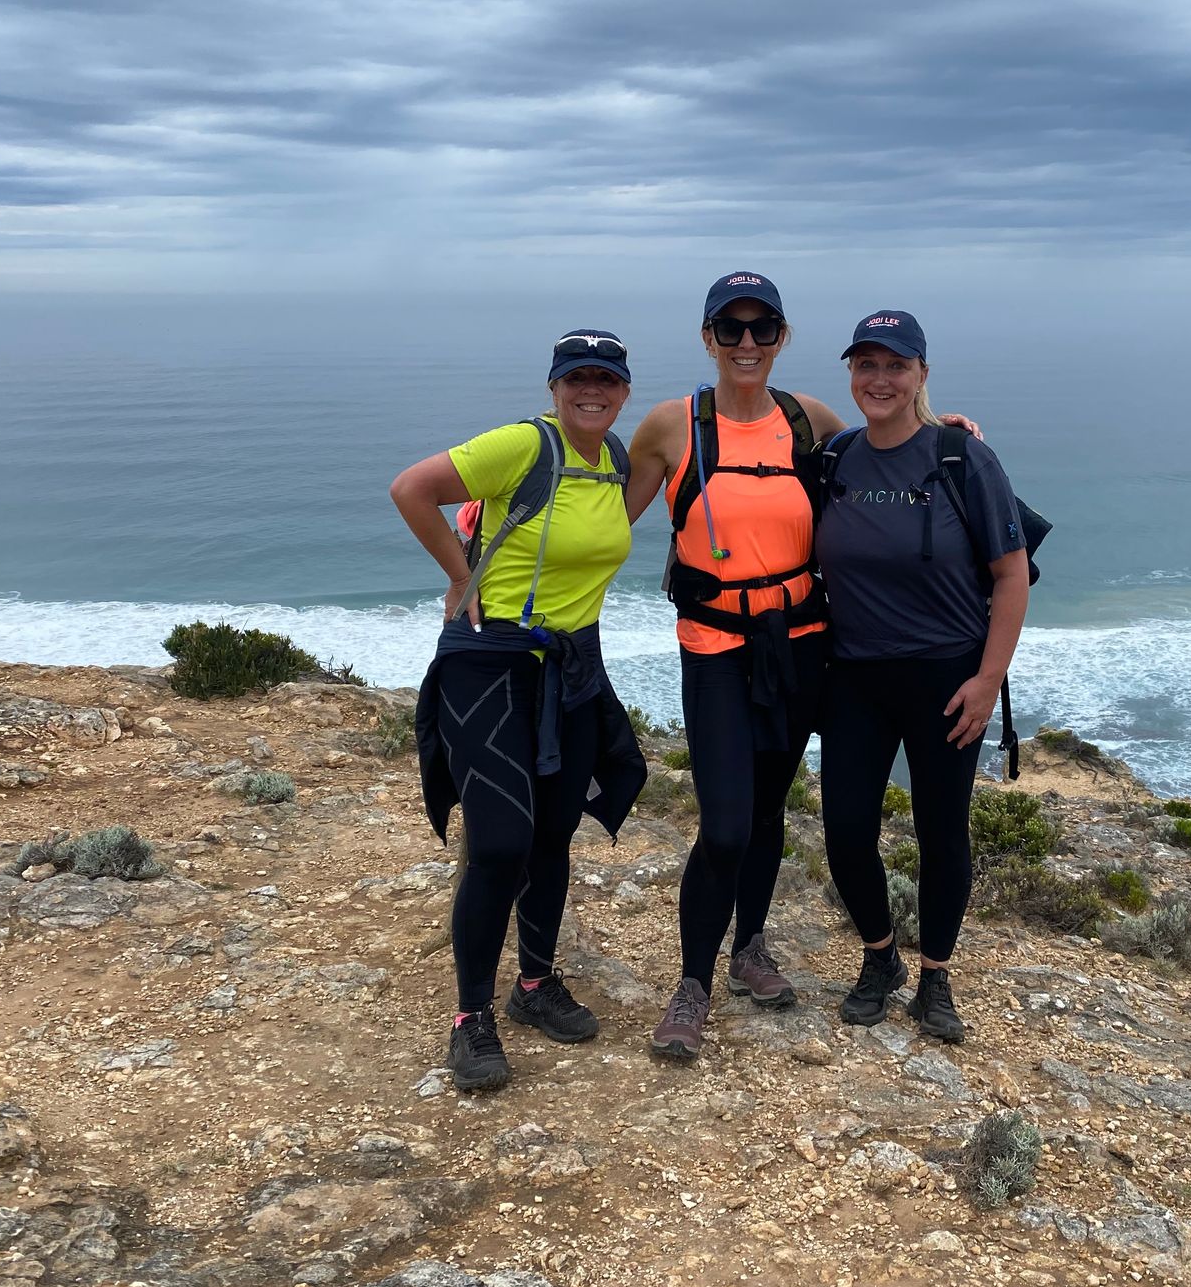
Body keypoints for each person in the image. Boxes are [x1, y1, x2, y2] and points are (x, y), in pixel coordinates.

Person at [625, 275, 980, 1060]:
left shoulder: (808, 421)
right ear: (708, 337)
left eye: (762, 328)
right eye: (730, 328)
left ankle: (749, 943)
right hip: (715, 646)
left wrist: (948, 427)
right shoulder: (670, 427)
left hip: (801, 645)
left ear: (782, 337)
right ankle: (692, 985)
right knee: (723, 826)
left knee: (767, 815)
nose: (746, 343)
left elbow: (889, 447)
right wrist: (495, 541)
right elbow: (605, 520)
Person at [392, 332, 648, 1092]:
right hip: (490, 661)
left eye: (606, 379)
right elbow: (412, 488)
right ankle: (471, 1020)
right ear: (554, 386)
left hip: (569, 669)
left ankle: (533, 985)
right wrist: (460, 574)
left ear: (624, 390)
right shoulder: (521, 445)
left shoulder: (617, 463)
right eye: (578, 378)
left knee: (552, 836)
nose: (591, 391)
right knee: (501, 843)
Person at [813, 311, 1029, 1044]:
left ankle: (935, 975)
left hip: (947, 675)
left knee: (942, 832)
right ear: (851, 374)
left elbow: (1011, 574)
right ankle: (881, 959)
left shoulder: (962, 459)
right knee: (844, 828)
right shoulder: (835, 457)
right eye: (865, 365)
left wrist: (988, 678)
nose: (879, 379)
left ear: (921, 376)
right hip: (854, 676)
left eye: (895, 366)